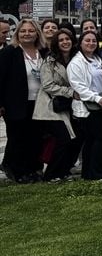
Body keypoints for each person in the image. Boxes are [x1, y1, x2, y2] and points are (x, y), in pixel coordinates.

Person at [0, 19, 46, 183]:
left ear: (37, 33)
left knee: (35, 137)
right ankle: (16, 171)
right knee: (17, 138)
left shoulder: (43, 52)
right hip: (16, 103)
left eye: (31, 31)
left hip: (39, 102)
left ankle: (33, 169)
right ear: (17, 33)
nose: (27, 34)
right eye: (23, 31)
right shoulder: (10, 52)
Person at [34, 29, 82, 182]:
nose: (65, 42)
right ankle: (51, 174)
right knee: (64, 139)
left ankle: (64, 171)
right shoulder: (49, 61)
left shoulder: (78, 59)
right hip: (50, 106)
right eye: (61, 40)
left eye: (67, 39)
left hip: (70, 106)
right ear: (56, 43)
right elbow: (47, 85)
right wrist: (69, 92)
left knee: (76, 140)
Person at [67, 28, 102, 181]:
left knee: (98, 140)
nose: (91, 43)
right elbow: (78, 86)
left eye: (94, 41)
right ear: (80, 43)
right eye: (87, 40)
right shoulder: (76, 63)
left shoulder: (97, 59)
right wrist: (95, 98)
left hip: (101, 105)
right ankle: (94, 174)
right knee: (96, 139)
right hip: (88, 107)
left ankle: (91, 172)